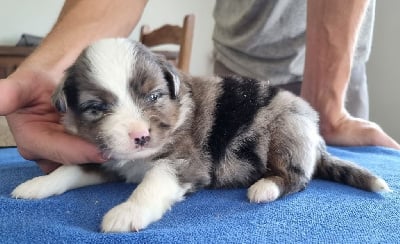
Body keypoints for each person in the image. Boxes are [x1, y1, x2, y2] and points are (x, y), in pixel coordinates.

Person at [0, 0, 398, 174]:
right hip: (235, 55)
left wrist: (327, 105)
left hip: (328, 65)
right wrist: (53, 71)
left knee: (308, 155)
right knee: (222, 164)